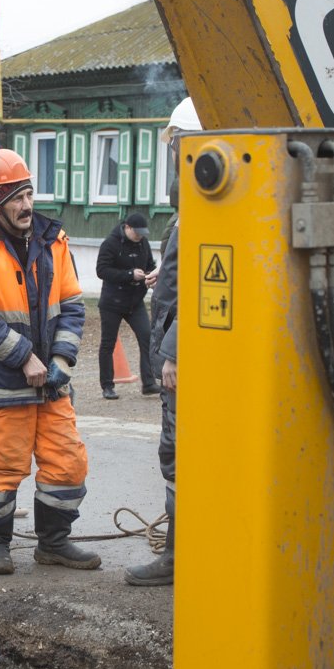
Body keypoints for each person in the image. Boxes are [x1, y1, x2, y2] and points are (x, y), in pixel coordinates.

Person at [0, 149, 95, 575]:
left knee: (67, 463)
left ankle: (54, 543)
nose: (26, 205)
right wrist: (25, 358)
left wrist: (61, 359)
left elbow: (72, 305)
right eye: (16, 197)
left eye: (29, 193)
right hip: (2, 381)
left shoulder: (53, 240)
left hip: (51, 381)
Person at [125, 97, 200, 586]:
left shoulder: (206, 212)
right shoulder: (190, 213)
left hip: (184, 356)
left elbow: (206, 291)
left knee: (177, 452)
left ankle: (179, 556)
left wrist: (172, 351)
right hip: (180, 346)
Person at [95, 211, 159, 399]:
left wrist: (150, 276)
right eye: (137, 232)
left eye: (142, 233)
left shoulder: (143, 243)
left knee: (147, 336)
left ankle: (149, 383)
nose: (139, 236)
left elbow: (149, 263)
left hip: (135, 301)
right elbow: (102, 270)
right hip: (112, 302)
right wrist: (129, 275)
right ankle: (107, 385)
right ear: (127, 228)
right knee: (108, 343)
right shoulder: (110, 243)